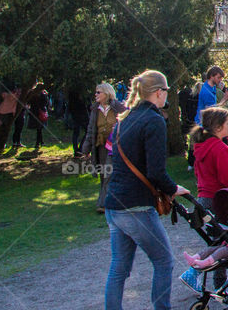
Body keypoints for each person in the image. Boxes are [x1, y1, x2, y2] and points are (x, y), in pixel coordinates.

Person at [104, 70, 190, 310]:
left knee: (119, 268)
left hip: (115, 203)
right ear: (158, 92)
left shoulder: (126, 117)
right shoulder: (154, 120)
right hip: (136, 206)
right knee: (164, 261)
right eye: (165, 93)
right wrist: (174, 189)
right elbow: (155, 171)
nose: (166, 98)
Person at [81, 83, 127, 212]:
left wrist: (118, 128)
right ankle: (111, 200)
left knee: (108, 173)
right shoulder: (95, 110)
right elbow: (90, 130)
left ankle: (102, 204)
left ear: (107, 93)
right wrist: (85, 149)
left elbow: (128, 123)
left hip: (115, 147)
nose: (95, 95)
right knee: (103, 174)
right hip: (100, 146)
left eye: (98, 92)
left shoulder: (119, 107)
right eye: (96, 92)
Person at [191, 107, 228, 211]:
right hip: (218, 198)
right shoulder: (220, 149)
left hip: (203, 197)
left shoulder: (202, 146)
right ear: (218, 127)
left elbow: (197, 172)